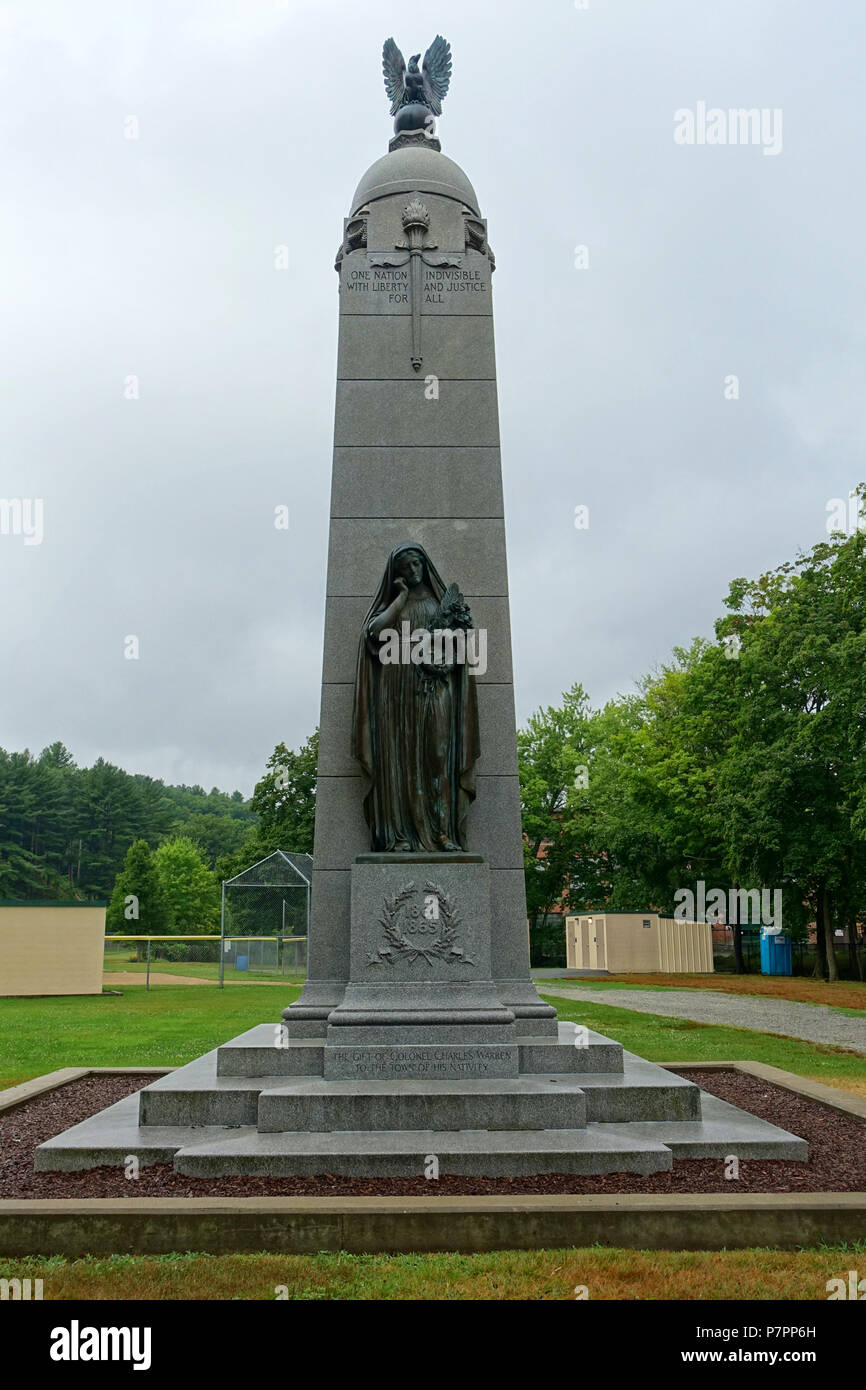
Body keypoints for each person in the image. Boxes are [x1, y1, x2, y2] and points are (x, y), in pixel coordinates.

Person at [352, 542, 480, 852]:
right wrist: (401, 597)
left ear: (425, 563)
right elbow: (374, 633)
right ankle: (400, 835)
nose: (413, 570)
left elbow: (463, 645)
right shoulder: (394, 603)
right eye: (406, 567)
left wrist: (443, 652)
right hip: (396, 692)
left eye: (417, 564)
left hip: (435, 686)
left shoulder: (441, 604)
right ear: (396, 573)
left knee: (438, 756)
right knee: (401, 760)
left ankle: (443, 833)